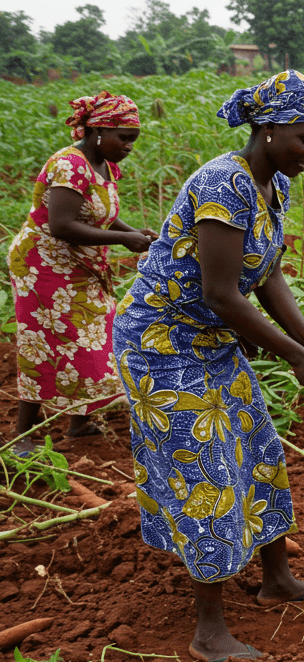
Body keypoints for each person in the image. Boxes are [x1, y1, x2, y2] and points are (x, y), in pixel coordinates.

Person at [112, 71, 304, 662]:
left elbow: (268, 277)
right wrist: (295, 357)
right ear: (268, 130)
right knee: (205, 466)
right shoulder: (224, 184)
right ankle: (209, 631)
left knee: (258, 446)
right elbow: (222, 294)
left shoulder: (272, 185)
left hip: (209, 337)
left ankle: (276, 579)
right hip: (163, 343)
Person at [7, 92, 157, 456]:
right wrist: (125, 240)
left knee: (96, 338)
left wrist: (134, 231)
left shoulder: (105, 164)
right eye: (123, 137)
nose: (128, 146)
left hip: (80, 266)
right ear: (96, 131)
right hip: (43, 267)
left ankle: (79, 422)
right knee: (44, 344)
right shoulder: (68, 165)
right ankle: (21, 435)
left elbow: (100, 213)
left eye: (133, 139)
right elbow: (61, 224)